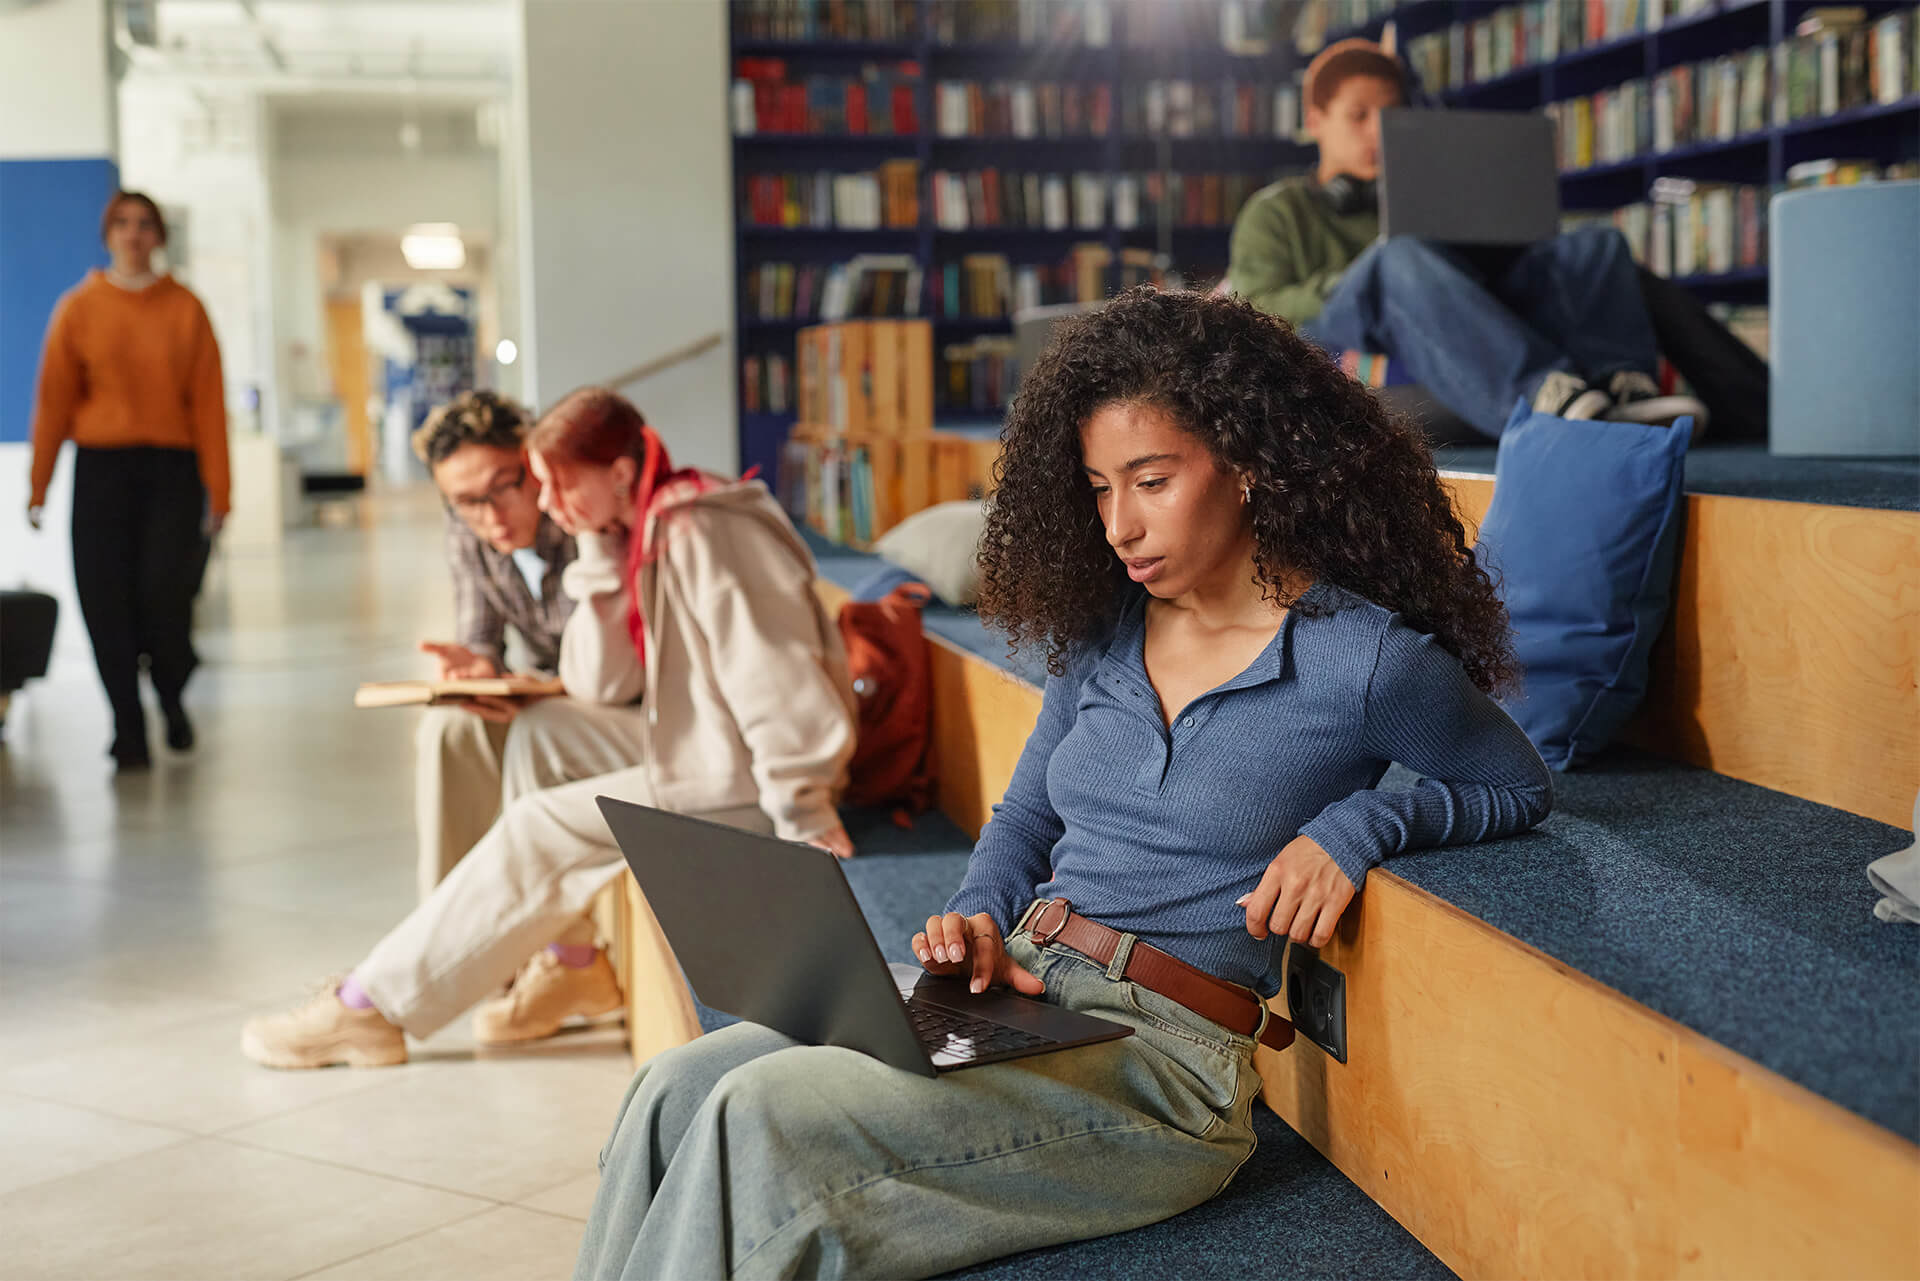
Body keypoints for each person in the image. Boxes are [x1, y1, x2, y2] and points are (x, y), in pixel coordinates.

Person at [572, 287, 1554, 1280]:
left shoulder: (1366, 661)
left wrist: (1363, 822)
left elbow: (1517, 786)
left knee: (757, 1115)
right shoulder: (1105, 632)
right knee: (677, 1086)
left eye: (1152, 480)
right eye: (1098, 489)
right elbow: (1025, 817)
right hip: (1028, 992)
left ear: (1251, 464)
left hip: (1161, 1066)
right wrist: (975, 920)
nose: (1120, 525)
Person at [241, 388, 859, 1069]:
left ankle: (371, 1005)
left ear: (620, 473)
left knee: (540, 822)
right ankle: (568, 958)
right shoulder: (638, 522)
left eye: (556, 486)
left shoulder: (701, 526)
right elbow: (599, 685)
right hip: (700, 742)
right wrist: (597, 551)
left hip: (746, 778)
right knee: (542, 734)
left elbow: (773, 675)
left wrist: (803, 805)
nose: (547, 506)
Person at [1228, 39, 1703, 440]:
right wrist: (1363, 274)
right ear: (1315, 122)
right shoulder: (1276, 210)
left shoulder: (1423, 193)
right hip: (1342, 321)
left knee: (1593, 245)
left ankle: (1622, 387)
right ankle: (1547, 397)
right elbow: (1254, 306)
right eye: (1359, 116)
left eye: (1389, 116)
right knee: (1399, 254)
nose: (1377, 132)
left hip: (1435, 312)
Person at [408, 389, 657, 1045]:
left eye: (504, 487)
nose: (489, 515)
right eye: (465, 502)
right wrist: (471, 670)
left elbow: (622, 668)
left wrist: (534, 688)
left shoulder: (581, 510)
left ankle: (563, 958)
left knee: (539, 731)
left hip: (626, 704)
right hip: (553, 691)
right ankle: (464, 937)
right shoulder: (469, 532)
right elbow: (483, 639)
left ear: (532, 465)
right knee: (450, 728)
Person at [26, 191, 229, 771]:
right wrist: (38, 484)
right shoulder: (79, 308)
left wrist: (221, 489)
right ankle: (127, 726)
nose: (133, 234)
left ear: (159, 237)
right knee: (105, 601)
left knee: (165, 599)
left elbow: (210, 404)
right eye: (122, 224)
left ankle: (170, 693)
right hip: (102, 470)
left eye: (144, 225)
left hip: (172, 470)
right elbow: (52, 403)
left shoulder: (185, 308)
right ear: (107, 234)